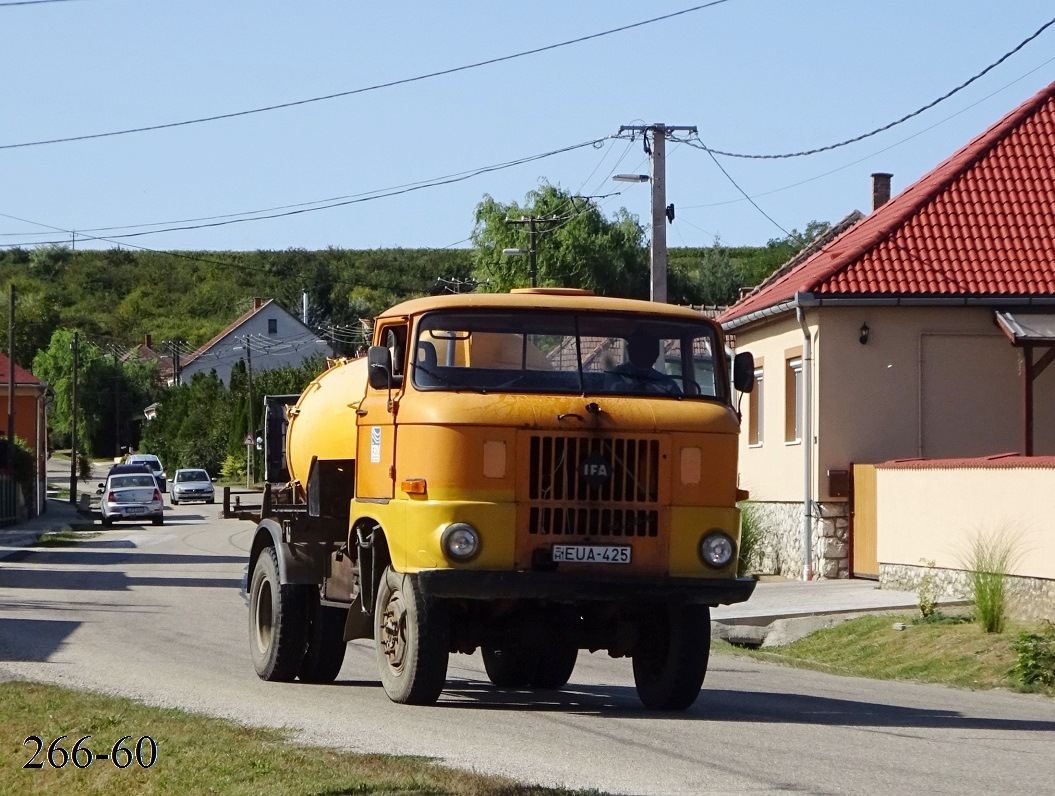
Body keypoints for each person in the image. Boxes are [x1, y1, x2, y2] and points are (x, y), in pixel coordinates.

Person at [604, 329, 681, 394]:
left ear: (656, 353)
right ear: (629, 350)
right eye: (639, 349)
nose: (644, 353)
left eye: (650, 349)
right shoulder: (615, 376)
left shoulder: (667, 384)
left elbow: (680, 406)